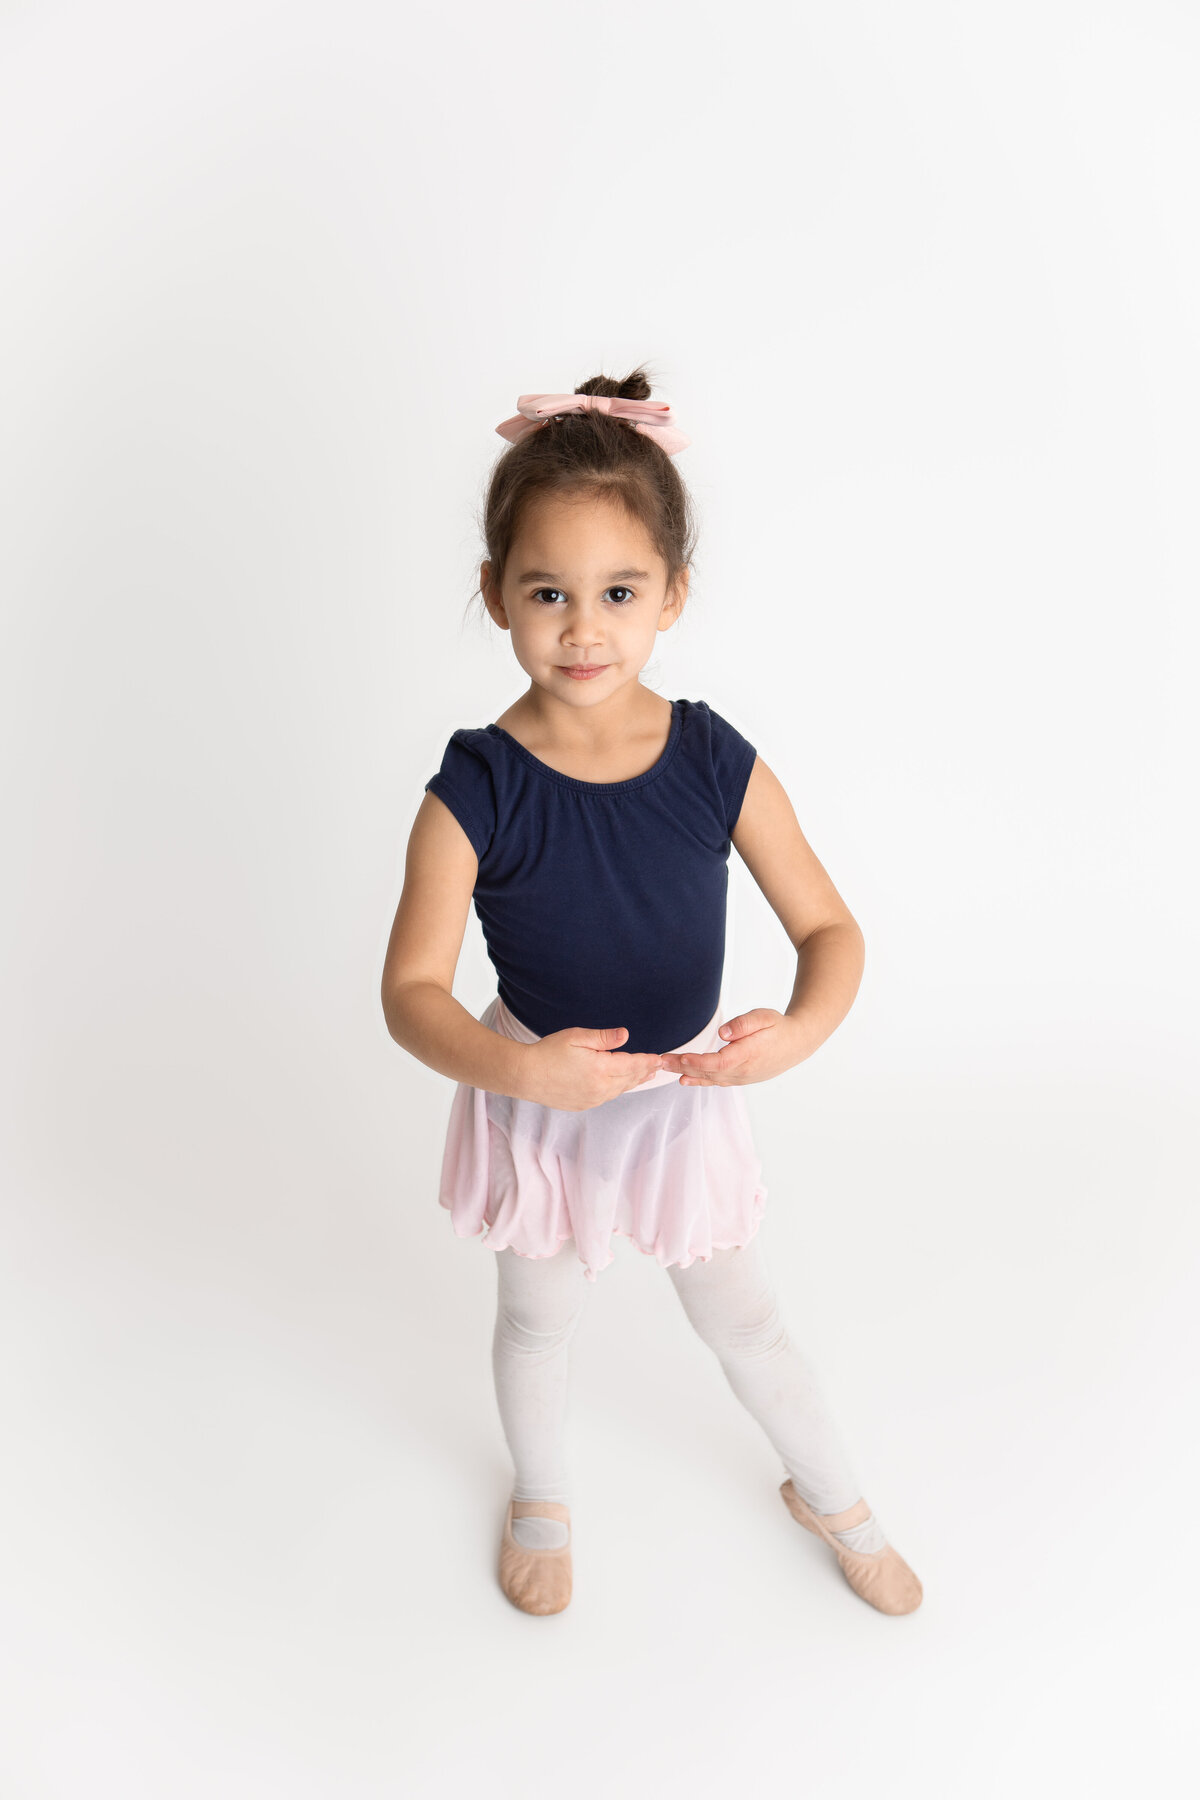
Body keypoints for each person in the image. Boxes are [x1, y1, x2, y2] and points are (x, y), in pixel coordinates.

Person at [380, 369, 923, 1620]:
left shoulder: (714, 758)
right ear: (496, 595)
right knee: (537, 1322)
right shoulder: (474, 788)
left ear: (672, 596)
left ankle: (832, 1494)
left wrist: (790, 1036)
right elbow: (410, 992)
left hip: (683, 1100)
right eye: (549, 593)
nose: (585, 628)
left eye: (619, 593)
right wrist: (520, 1071)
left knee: (745, 1323)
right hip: (539, 1104)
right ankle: (543, 1495)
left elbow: (831, 929)